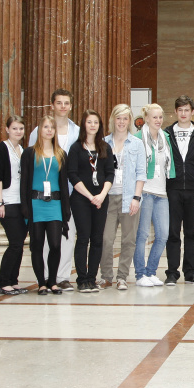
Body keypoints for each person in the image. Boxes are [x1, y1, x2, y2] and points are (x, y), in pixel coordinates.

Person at [29, 88, 80, 292]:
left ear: (70, 106)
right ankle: (46, 277)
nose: (63, 107)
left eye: (66, 103)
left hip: (71, 192)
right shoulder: (39, 130)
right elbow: (32, 161)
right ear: (52, 105)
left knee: (68, 235)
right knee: (43, 238)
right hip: (45, 195)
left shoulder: (77, 131)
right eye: (59, 103)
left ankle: (62, 276)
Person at [164, 95, 194, 286]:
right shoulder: (166, 133)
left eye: (187, 110)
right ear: (175, 112)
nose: (183, 113)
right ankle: (172, 272)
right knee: (173, 233)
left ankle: (191, 272)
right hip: (172, 190)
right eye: (180, 110)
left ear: (193, 111)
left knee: (191, 233)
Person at [21, 115, 71, 296]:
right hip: (36, 204)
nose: (49, 130)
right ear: (39, 130)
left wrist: (66, 209)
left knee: (55, 245)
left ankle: (52, 281)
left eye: (52, 127)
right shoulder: (29, 153)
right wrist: (25, 208)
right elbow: (24, 182)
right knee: (37, 245)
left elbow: (64, 184)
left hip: (55, 205)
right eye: (46, 127)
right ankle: (41, 282)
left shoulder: (61, 154)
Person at [68, 110, 115, 293]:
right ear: (84, 125)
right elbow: (72, 174)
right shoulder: (76, 148)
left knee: (97, 239)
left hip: (101, 199)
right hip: (81, 199)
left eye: (96, 122)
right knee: (83, 238)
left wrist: (102, 195)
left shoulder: (105, 147)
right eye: (89, 122)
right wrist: (90, 196)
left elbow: (110, 173)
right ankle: (81, 279)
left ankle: (92, 278)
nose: (93, 125)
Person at [101, 104, 146, 290]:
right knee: (106, 239)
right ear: (113, 119)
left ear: (129, 121)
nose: (121, 122)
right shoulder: (103, 143)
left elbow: (141, 173)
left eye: (125, 118)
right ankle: (106, 276)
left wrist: (136, 198)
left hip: (130, 198)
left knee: (129, 240)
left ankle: (122, 277)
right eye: (118, 118)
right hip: (108, 198)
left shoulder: (136, 144)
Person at [134, 103, 175, 286]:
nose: (158, 120)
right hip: (145, 192)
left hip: (162, 193)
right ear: (147, 119)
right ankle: (140, 274)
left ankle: (151, 272)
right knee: (142, 235)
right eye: (154, 117)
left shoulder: (165, 138)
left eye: (160, 117)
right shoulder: (137, 139)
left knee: (163, 235)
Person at [0, 115, 29, 296]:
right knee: (15, 243)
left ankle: (13, 281)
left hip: (21, 202)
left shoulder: (21, 149)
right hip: (7, 201)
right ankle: (4, 282)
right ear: (7, 129)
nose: (18, 132)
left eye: (21, 128)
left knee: (19, 243)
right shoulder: (1, 148)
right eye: (14, 128)